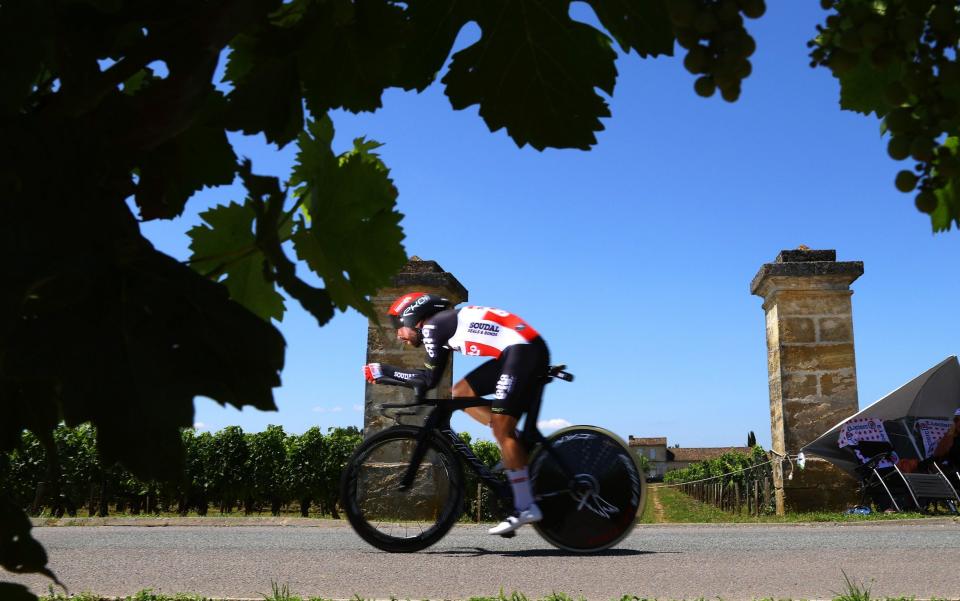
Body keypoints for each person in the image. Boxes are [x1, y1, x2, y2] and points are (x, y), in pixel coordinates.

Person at [361, 292, 549, 535]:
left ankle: (525, 506)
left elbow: (428, 379)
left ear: (412, 318)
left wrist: (385, 371)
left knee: (503, 428)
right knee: (460, 394)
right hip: (518, 349)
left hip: (523, 350)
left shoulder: (433, 327)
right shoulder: (444, 325)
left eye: (398, 326)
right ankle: (514, 444)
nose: (398, 335)